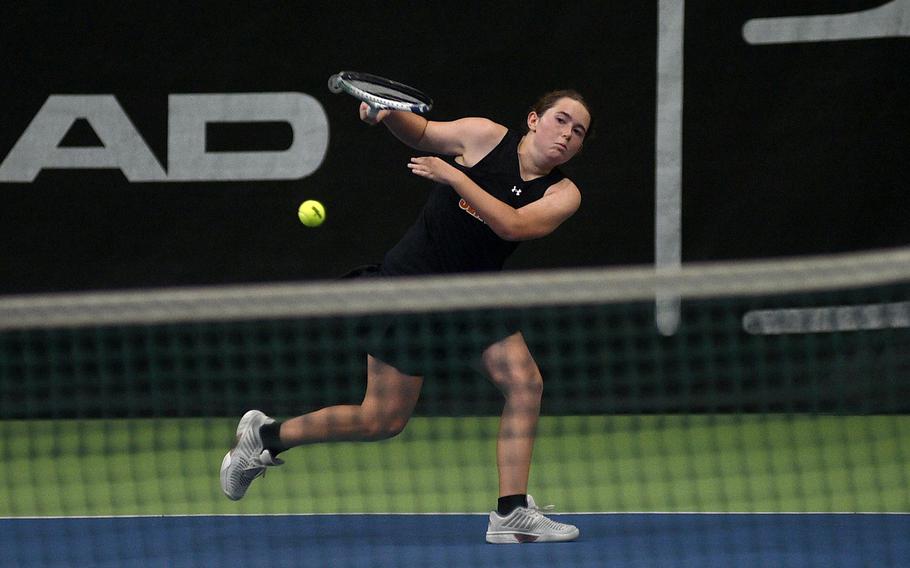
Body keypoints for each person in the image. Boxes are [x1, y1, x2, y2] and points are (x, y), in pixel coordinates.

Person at [221, 89, 592, 544]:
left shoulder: (562, 193)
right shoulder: (484, 136)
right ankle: (266, 437)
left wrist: (455, 179)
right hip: (411, 287)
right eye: (561, 120)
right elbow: (421, 133)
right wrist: (388, 116)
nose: (568, 134)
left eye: (578, 132)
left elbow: (512, 225)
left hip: (471, 299)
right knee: (382, 420)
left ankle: (510, 512)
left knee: (525, 383)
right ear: (534, 120)